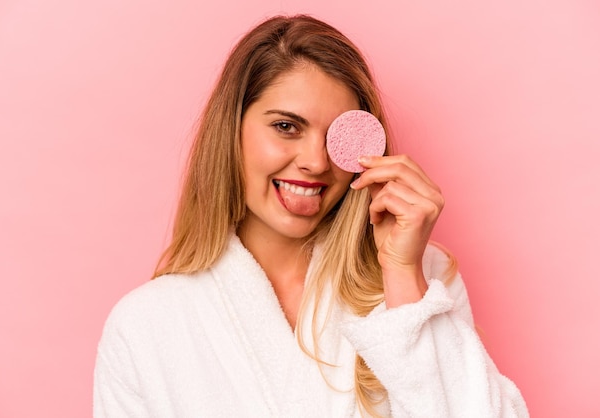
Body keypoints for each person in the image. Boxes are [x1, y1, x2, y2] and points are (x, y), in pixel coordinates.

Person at [93, 14, 529, 417]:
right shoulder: (146, 326)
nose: (317, 162)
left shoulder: (422, 278)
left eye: (338, 136)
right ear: (233, 131)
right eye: (286, 127)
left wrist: (402, 276)